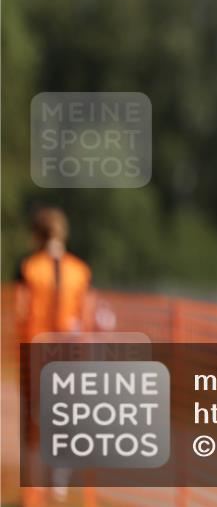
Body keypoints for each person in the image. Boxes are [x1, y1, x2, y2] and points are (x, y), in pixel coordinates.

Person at [16, 206, 92, 505]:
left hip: (34, 349)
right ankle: (58, 482)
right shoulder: (80, 271)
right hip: (68, 352)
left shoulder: (28, 268)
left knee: (34, 419)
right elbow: (84, 316)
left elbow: (20, 310)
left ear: (36, 235)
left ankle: (33, 485)